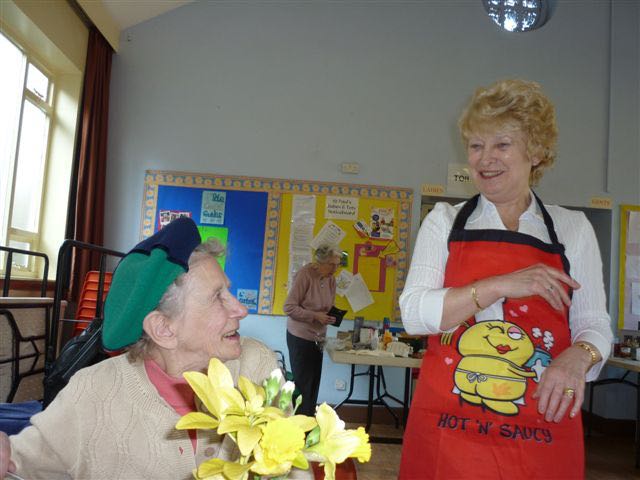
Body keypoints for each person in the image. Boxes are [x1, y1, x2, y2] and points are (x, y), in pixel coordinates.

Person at [399, 79, 613, 479]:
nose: (485, 159)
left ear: (536, 151)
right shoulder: (444, 222)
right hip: (449, 430)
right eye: (476, 146)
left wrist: (578, 357)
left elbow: (595, 324)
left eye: (502, 144)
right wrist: (501, 284)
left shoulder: (572, 229)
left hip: (542, 427)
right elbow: (413, 314)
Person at [0, 217, 309, 479]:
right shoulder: (93, 391)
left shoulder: (255, 364)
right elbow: (22, 462)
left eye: (228, 291)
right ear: (163, 329)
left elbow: (294, 462)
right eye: (218, 297)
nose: (241, 309)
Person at [283, 245, 342, 416]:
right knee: (303, 384)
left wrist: (331, 316)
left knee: (314, 383)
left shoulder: (331, 279)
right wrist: (315, 316)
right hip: (300, 337)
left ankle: (309, 421)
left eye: (337, 265)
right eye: (331, 264)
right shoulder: (305, 274)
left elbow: (327, 306)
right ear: (319, 262)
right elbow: (289, 307)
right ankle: (300, 424)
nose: (335, 269)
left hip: (319, 338)